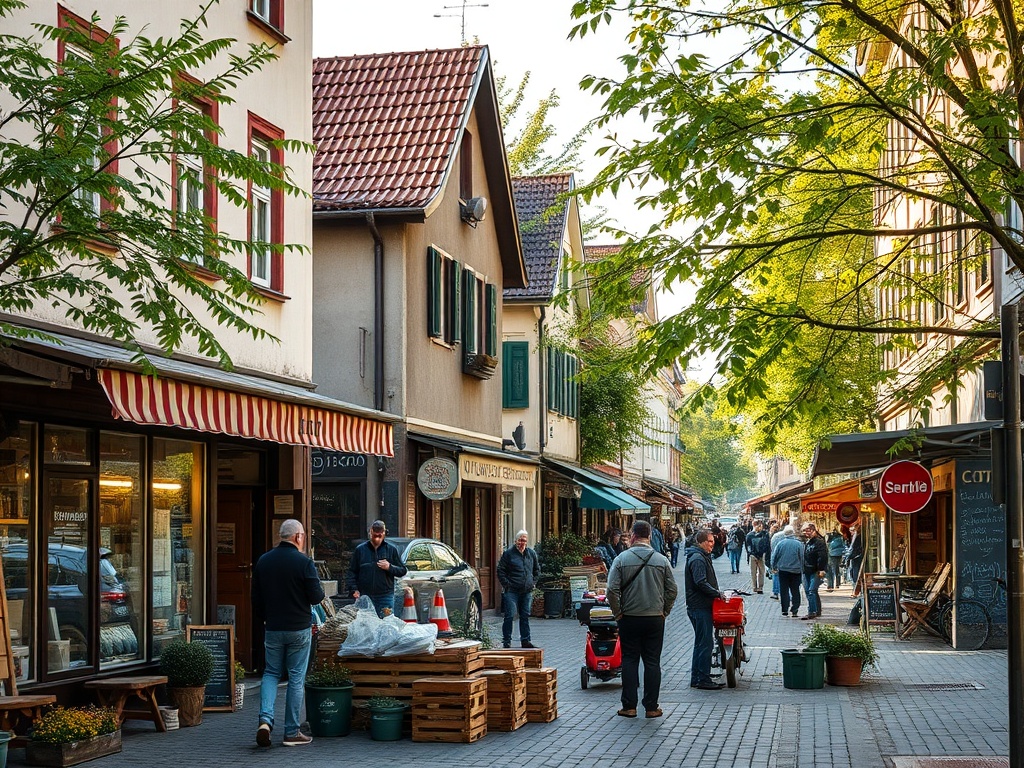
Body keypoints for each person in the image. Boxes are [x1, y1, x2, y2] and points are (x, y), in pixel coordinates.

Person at [252, 519, 325, 748]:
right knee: (296, 678)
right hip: (299, 628)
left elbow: (256, 599)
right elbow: (316, 597)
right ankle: (292, 732)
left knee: (271, 673)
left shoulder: (264, 561)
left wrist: (265, 618)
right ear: (298, 537)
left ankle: (265, 720)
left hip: (273, 627)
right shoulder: (304, 562)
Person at [607, 520, 677, 717]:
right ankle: (651, 707)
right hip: (654, 618)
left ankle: (629, 706)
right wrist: (664, 611)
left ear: (633, 535)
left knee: (630, 660)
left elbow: (611, 590)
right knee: (652, 662)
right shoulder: (661, 560)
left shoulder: (621, 559)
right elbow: (672, 590)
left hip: (629, 617)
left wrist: (618, 612)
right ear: (650, 535)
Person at [683, 528, 724, 690]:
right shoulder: (698, 558)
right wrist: (716, 593)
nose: (712, 544)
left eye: (713, 541)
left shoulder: (700, 556)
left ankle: (698, 677)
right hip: (699, 606)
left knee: (701, 642)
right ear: (701, 542)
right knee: (705, 643)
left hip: (699, 605)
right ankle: (702, 678)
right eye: (710, 541)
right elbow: (700, 582)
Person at [346, 520, 407, 618]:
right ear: (371, 532)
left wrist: (389, 567)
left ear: (384, 533)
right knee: (366, 624)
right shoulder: (360, 550)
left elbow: (402, 570)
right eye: (375, 535)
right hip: (365, 595)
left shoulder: (391, 550)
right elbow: (352, 572)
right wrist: (354, 589)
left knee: (386, 623)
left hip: (385, 596)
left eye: (380, 535)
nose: (377, 538)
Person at [497, 530, 541, 649]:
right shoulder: (508, 554)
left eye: (524, 540)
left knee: (525, 616)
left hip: (526, 591)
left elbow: (536, 570)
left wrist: (533, 583)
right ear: (515, 541)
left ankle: (525, 641)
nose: (522, 543)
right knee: (510, 615)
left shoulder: (531, 553)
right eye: (520, 540)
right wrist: (507, 585)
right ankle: (507, 641)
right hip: (512, 591)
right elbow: (500, 570)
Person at [771, 525, 804, 618]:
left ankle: (785, 609)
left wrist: (773, 567)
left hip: (783, 570)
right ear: (793, 533)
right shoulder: (799, 544)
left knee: (784, 590)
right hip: (796, 571)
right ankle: (795, 609)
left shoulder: (780, 544)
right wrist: (802, 569)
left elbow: (775, 556)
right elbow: (802, 557)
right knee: (795, 590)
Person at [800, 522, 828, 619]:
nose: (805, 533)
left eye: (807, 530)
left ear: (813, 531)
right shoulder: (807, 542)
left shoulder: (819, 542)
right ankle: (817, 610)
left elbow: (823, 556)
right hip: (806, 570)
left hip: (815, 570)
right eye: (804, 531)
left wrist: (821, 569)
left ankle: (812, 611)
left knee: (811, 590)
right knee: (809, 591)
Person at [745, 520, 770, 593]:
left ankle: (756, 587)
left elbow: (748, 547)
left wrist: (750, 554)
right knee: (760, 572)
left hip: (754, 556)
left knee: (755, 572)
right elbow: (767, 545)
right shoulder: (763, 534)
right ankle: (759, 587)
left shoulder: (750, 535)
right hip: (759, 556)